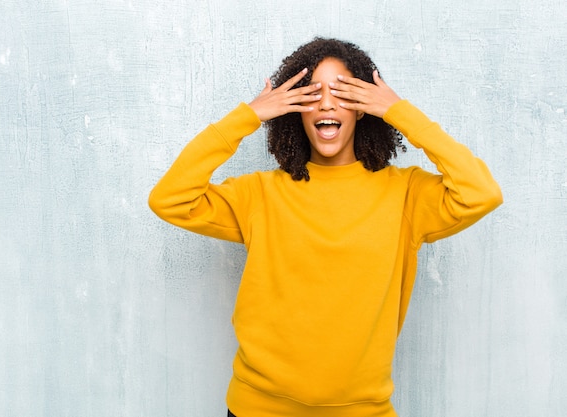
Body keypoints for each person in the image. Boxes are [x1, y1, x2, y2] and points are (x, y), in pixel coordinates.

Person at [149, 37, 502, 417]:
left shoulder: (405, 195)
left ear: (363, 108)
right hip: (258, 409)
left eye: (343, 93)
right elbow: (169, 198)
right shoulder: (259, 194)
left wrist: (399, 111)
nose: (327, 104)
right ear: (296, 109)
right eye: (312, 94)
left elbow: (481, 193)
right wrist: (249, 115)